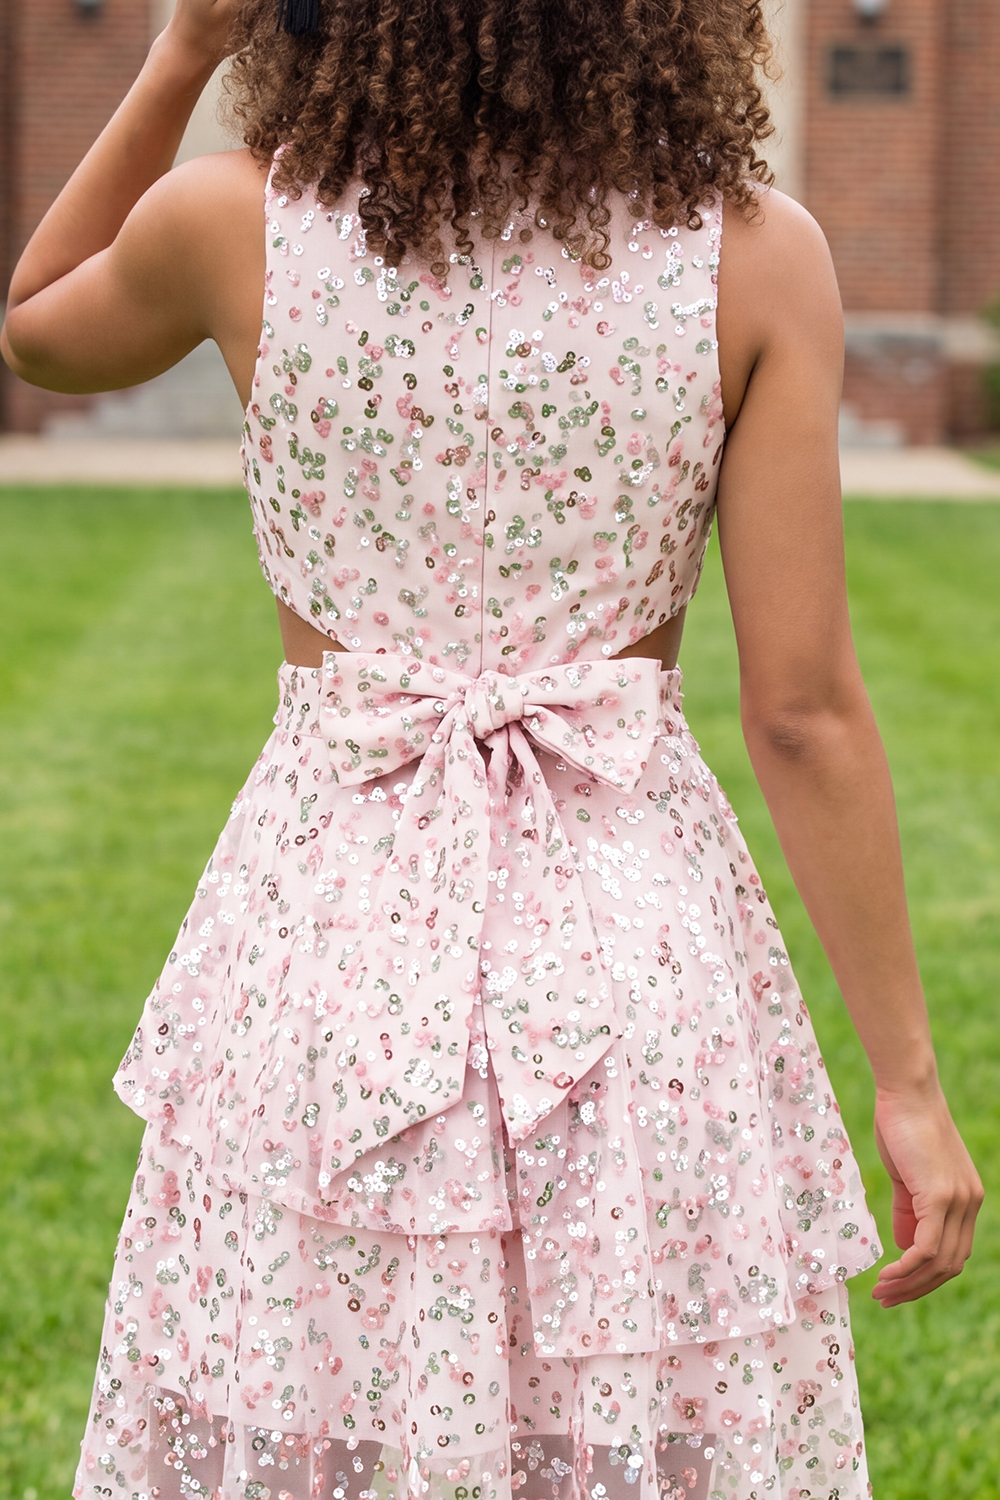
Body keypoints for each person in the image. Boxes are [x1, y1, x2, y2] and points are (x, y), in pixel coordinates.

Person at [2, 2, 983, 1497]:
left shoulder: (232, 221)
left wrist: (183, 52)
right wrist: (906, 1085)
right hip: (635, 960)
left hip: (328, 942)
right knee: (631, 1419)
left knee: (316, 1406)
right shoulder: (755, 253)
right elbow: (803, 712)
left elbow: (36, 323)